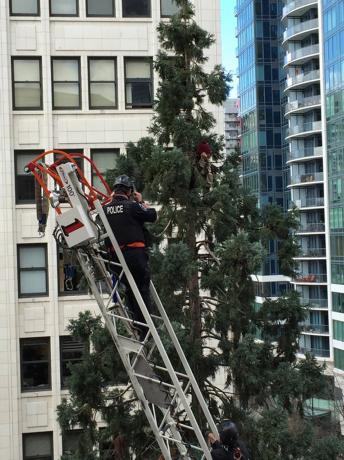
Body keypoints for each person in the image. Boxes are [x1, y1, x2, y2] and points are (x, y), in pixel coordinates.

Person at [103, 175, 157, 340]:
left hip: (115, 259)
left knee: (129, 290)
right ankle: (145, 328)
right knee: (141, 289)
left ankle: (136, 323)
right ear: (129, 191)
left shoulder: (104, 209)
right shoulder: (132, 206)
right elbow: (152, 215)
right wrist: (141, 202)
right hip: (135, 256)